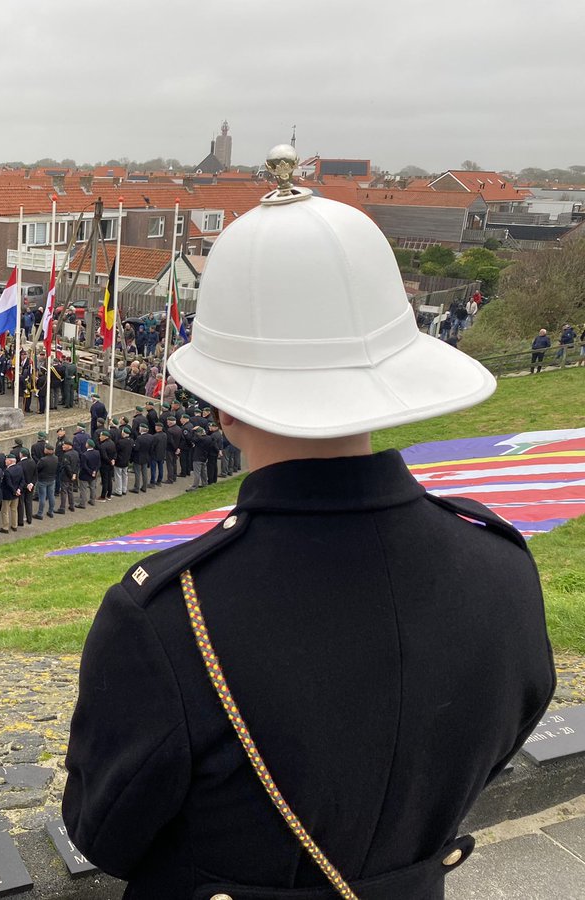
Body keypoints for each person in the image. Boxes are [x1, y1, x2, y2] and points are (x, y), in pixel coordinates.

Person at [63, 151, 554, 900]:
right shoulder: (502, 562)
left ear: (222, 405)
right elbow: (496, 741)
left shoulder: (166, 618)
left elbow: (105, 835)